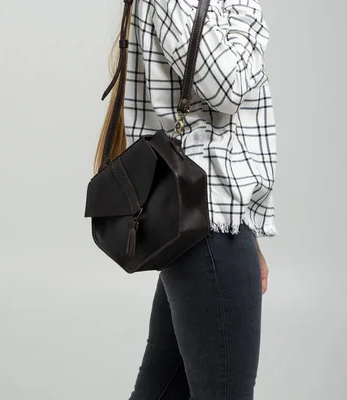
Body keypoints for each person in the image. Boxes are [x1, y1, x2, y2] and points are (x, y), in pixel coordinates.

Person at [93, 0, 277, 398]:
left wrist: (248, 229)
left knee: (161, 390)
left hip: (206, 218)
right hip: (209, 223)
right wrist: (249, 13)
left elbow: (228, 134)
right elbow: (227, 91)